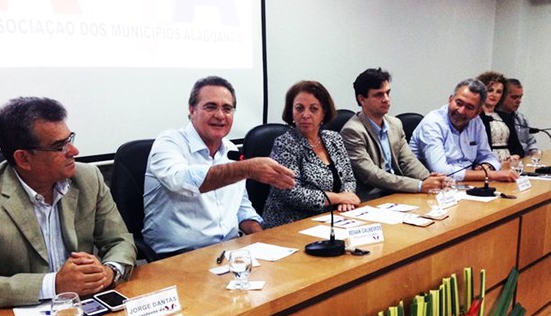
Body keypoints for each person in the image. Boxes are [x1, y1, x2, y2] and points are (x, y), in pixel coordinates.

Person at [0, 97, 136, 309]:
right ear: (24, 159)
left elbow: (120, 240)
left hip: (84, 308)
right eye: (59, 146)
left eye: (69, 139)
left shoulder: (88, 178)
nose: (74, 151)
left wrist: (108, 271)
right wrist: (54, 284)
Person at [143, 76, 295, 256]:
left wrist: (262, 237)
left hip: (229, 253)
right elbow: (182, 181)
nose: (220, 115)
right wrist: (247, 168)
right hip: (179, 257)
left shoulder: (230, 150)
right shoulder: (169, 143)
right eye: (211, 107)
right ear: (192, 110)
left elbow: (240, 206)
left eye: (227, 108)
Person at [262, 81, 360, 228]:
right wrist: (339, 197)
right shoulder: (284, 144)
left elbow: (349, 179)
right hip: (291, 225)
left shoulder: (334, 139)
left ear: (323, 113)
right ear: (291, 112)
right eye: (299, 108)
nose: (305, 115)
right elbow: (292, 193)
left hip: (333, 219)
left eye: (313, 109)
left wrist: (347, 199)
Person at [340, 68, 445, 200]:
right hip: (372, 198)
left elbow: (408, 161)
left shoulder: (395, 124)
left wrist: (430, 179)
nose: (386, 99)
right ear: (362, 99)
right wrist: (419, 185)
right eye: (379, 95)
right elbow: (372, 175)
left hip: (399, 192)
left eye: (387, 93)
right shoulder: (352, 131)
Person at [409, 79, 519, 183]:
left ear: (477, 112)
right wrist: (489, 174)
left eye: (469, 107)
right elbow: (441, 170)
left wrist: (486, 166)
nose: (461, 111)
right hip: (430, 187)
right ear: (450, 99)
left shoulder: (476, 122)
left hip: (463, 184)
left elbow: (488, 156)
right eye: (459, 103)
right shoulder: (433, 122)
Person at [476, 71, 524, 160]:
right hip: (486, 164)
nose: (494, 95)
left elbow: (518, 148)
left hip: (508, 164)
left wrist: (515, 156)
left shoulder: (506, 117)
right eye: (490, 90)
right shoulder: (475, 117)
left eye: (498, 92)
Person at [497, 78, 539, 155]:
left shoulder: (521, 118)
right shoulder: (494, 119)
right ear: (502, 96)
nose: (519, 101)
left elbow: (531, 142)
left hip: (525, 159)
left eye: (520, 97)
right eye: (514, 97)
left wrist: (534, 153)